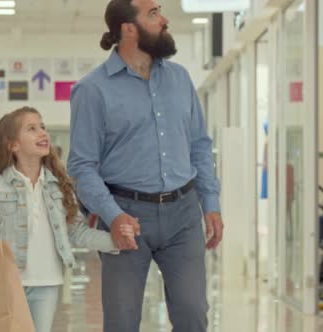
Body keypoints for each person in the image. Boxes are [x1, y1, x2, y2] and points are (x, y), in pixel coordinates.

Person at [67, 1, 224, 331]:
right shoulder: (92, 90)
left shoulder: (180, 79)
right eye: (153, 13)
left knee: (193, 315)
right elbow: (81, 166)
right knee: (122, 322)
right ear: (128, 28)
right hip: (125, 215)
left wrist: (210, 203)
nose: (164, 20)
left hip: (183, 214)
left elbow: (199, 146)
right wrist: (114, 216)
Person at [0, 107, 137, 332]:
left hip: (48, 282)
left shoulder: (61, 187)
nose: (42, 133)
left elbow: (78, 233)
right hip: (8, 282)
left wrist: (116, 241)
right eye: (32, 129)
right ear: (13, 144)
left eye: (43, 127)